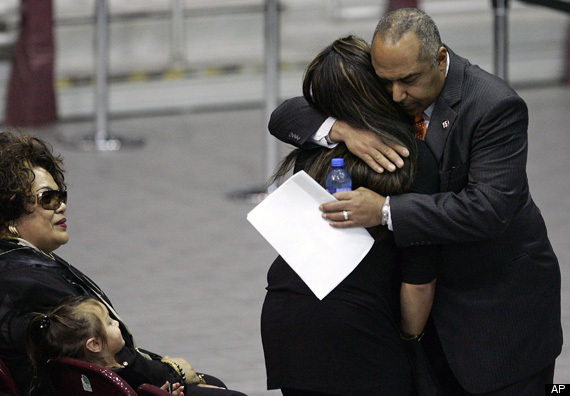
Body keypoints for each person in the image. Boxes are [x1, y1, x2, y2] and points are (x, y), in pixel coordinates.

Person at [268, 8, 562, 396]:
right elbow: (287, 113)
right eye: (384, 82)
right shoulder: (396, 86)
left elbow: (489, 208)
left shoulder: (493, 105)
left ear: (440, 59)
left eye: (408, 81)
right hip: (424, 313)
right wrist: (341, 129)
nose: (395, 95)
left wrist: (386, 211)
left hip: (495, 315)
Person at [0, 131, 246, 396]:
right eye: (47, 199)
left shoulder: (22, 262)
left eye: (61, 196)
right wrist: (175, 371)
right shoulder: (31, 284)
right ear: (10, 210)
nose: (61, 206)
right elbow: (103, 364)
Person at [261, 35, 440, 396]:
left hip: (283, 312)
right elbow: (418, 280)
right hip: (355, 325)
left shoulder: (315, 147)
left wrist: (339, 129)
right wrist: (408, 338)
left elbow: (285, 115)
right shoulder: (412, 159)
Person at [27, 296, 186, 395]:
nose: (117, 323)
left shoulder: (76, 376)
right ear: (95, 344)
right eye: (109, 323)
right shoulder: (122, 378)